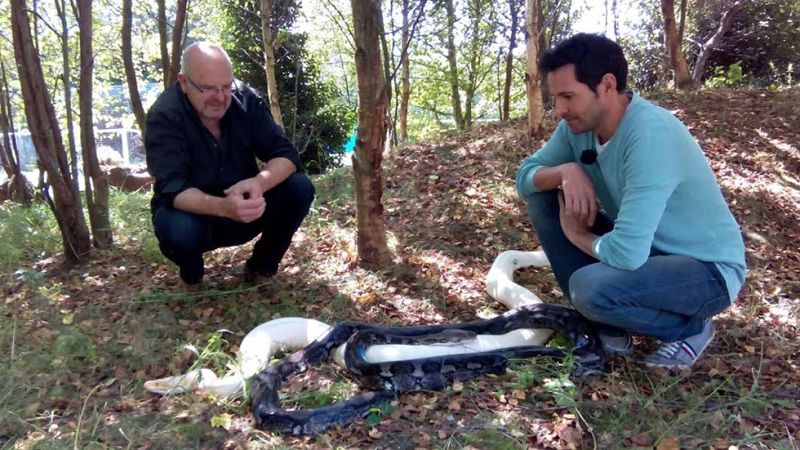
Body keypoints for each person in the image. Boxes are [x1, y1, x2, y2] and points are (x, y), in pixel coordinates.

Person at [515, 33, 746, 369]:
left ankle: (691, 328)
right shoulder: (576, 129)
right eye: (556, 98)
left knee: (589, 289)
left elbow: (625, 253)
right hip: (647, 249)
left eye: (568, 96)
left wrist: (577, 235)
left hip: (706, 271)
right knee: (542, 197)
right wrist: (564, 171)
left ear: (607, 85)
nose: (559, 110)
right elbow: (525, 178)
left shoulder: (651, 135)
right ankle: (606, 323)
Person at [145, 41, 315, 288]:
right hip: (195, 217)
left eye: (226, 86)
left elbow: (287, 156)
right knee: (178, 229)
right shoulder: (164, 115)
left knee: (300, 188)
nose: (221, 97)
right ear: (183, 82)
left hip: (246, 205)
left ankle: (261, 267)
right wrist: (224, 207)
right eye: (208, 89)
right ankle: (192, 277)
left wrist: (259, 183)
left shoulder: (245, 99)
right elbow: (173, 187)